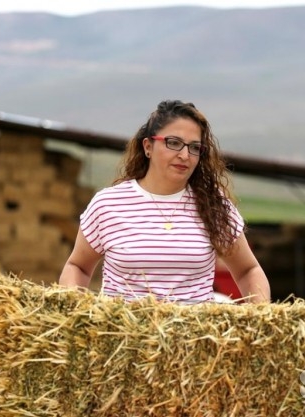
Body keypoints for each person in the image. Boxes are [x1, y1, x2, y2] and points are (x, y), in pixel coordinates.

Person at [59, 99, 271, 304]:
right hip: (124, 337)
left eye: (194, 147)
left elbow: (248, 271)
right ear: (148, 146)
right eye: (174, 143)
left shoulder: (215, 206)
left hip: (193, 338)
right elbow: (78, 267)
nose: (185, 155)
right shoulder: (108, 204)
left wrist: (262, 318)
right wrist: (74, 315)